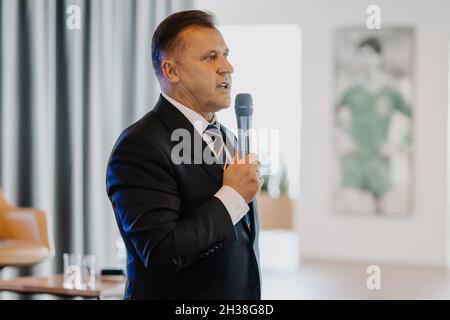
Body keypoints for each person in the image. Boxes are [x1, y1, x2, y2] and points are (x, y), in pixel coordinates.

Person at [106, 10, 263, 300]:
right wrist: (232, 195)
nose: (228, 67)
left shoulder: (227, 137)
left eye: (226, 54)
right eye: (210, 57)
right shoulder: (139, 146)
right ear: (171, 71)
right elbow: (162, 253)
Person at [335, 37, 412, 214]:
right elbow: (329, 116)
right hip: (355, 160)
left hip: (379, 161)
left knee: (384, 212)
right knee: (350, 210)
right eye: (361, 56)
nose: (365, 60)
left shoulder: (391, 91)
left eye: (369, 55)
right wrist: (342, 136)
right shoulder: (351, 90)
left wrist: (398, 145)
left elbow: (416, 117)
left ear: (379, 58)